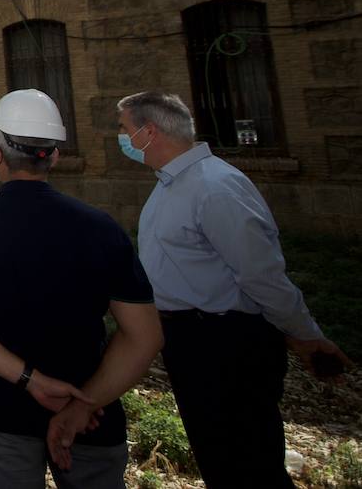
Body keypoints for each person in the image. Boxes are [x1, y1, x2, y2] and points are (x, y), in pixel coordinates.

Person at [117, 90, 353, 488]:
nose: (120, 138)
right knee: (219, 458)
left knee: (247, 462)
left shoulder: (216, 187)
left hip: (225, 344)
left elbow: (262, 276)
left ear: (149, 132)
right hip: (191, 340)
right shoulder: (173, 184)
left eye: (123, 129)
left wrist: (305, 336)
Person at [0, 90, 164, 489]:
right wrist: (82, 404)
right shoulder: (101, 227)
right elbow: (145, 336)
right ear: (54, 155)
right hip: (91, 417)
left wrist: (31, 380)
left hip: (1, 409)